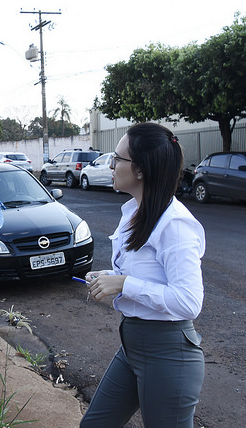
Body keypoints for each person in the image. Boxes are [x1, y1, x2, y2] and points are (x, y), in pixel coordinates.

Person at [80, 123, 205, 428]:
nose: (110, 165)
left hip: (169, 354)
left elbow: (189, 302)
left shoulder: (174, 224)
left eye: (117, 159)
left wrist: (124, 284)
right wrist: (110, 277)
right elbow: (144, 274)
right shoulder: (134, 213)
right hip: (132, 347)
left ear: (140, 170)